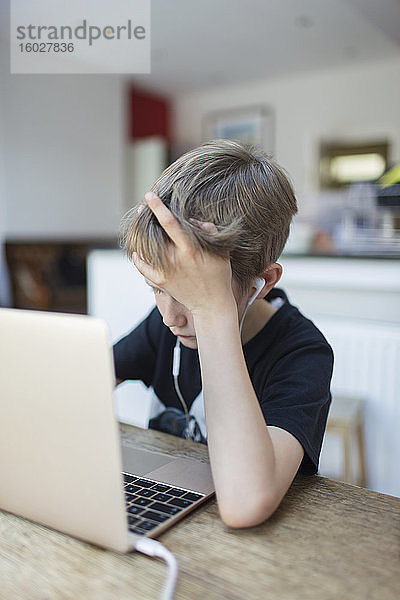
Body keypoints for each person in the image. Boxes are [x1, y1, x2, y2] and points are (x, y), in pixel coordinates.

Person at [113, 139, 333, 528]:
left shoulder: (303, 353)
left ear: (261, 283)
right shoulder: (164, 323)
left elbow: (245, 504)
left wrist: (213, 312)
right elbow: (78, 387)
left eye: (190, 297)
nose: (170, 318)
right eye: (157, 288)